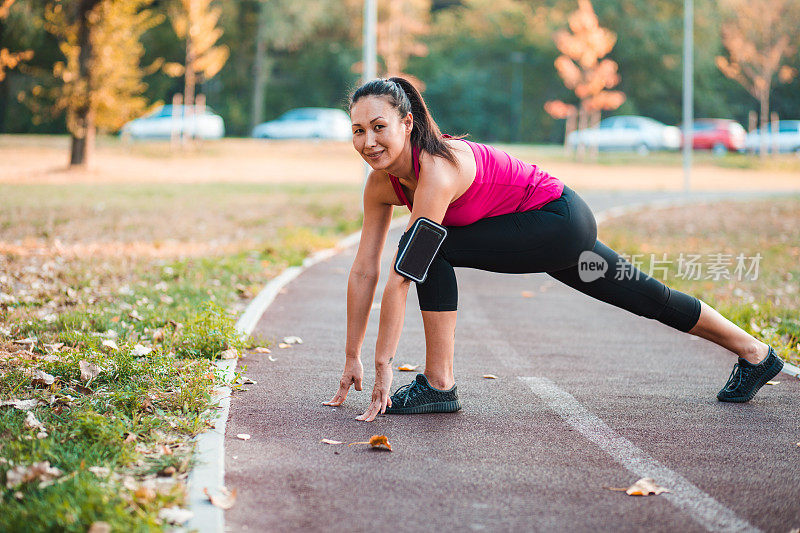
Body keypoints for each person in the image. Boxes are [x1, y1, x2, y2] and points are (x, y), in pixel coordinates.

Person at [323, 77, 784, 422]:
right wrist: (351, 354)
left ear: (407, 123)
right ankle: (756, 354)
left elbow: (405, 276)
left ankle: (439, 385)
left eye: (379, 127)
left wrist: (383, 363)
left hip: (559, 221)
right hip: (542, 230)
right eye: (358, 130)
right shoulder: (379, 185)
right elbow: (364, 271)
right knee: (645, 295)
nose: (368, 142)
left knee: (423, 251)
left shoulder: (437, 171)